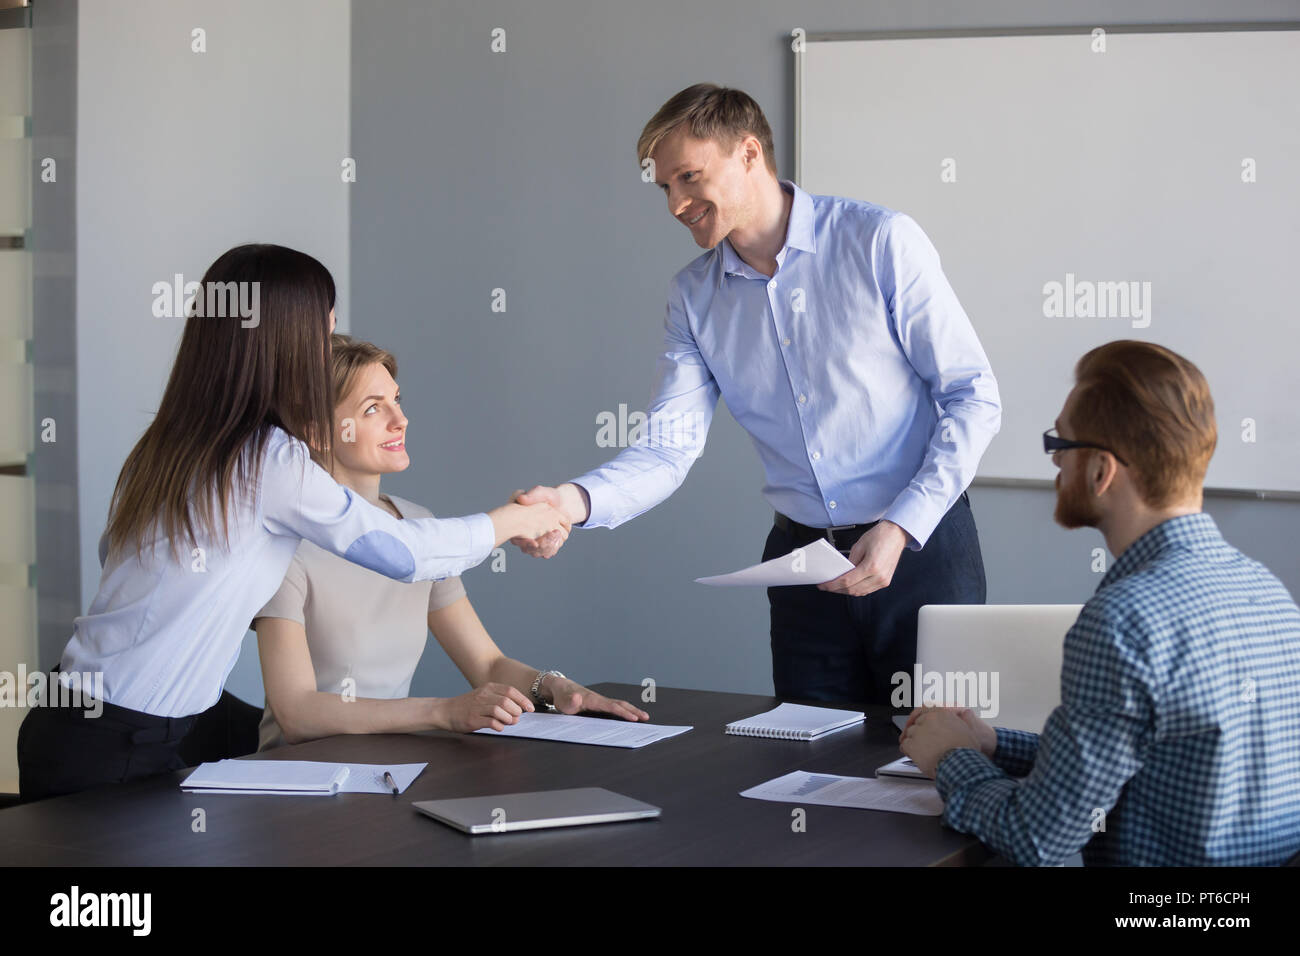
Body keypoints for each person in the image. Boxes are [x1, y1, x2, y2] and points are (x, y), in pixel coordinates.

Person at [16, 244, 569, 802]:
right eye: (324, 318)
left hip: (87, 723)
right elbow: (405, 555)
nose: (331, 330)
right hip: (113, 741)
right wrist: (521, 518)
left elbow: (117, 557)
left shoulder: (176, 441)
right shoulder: (264, 458)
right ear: (286, 335)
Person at [512, 84, 1000, 705]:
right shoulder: (693, 297)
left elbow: (973, 395)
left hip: (923, 552)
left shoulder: (881, 241)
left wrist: (901, 527)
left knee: (939, 769)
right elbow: (668, 449)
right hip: (803, 568)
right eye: (664, 187)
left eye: (688, 177)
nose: (675, 204)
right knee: (808, 771)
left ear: (748, 153)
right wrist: (571, 502)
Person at [900, 340, 1300, 866]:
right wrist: (992, 743)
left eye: (1060, 444)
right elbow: (1143, 760)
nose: (1056, 463)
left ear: (1101, 471)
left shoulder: (1123, 621)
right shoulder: (1268, 593)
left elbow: (1039, 840)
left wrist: (950, 759)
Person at [253, 335, 648, 749]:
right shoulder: (285, 549)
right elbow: (295, 712)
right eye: (373, 408)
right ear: (316, 431)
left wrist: (559, 688)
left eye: (397, 400)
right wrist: (441, 712)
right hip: (297, 781)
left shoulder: (420, 529)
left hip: (385, 768)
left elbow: (488, 664)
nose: (400, 419)